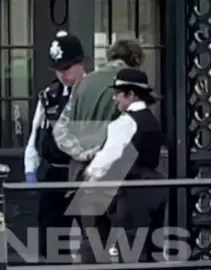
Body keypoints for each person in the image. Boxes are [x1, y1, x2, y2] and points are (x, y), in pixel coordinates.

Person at [52, 39, 146, 263]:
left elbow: (60, 130)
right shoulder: (127, 85)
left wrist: (82, 153)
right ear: (135, 61)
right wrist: (100, 153)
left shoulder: (83, 84)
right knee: (126, 241)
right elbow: (127, 130)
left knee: (91, 239)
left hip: (81, 174)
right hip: (117, 173)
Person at [84, 68, 167, 263]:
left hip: (130, 190)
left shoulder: (124, 122)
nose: (115, 99)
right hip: (154, 187)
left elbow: (107, 158)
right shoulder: (152, 121)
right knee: (152, 248)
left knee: (129, 249)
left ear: (130, 94)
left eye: (118, 94)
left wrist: (90, 175)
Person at [24, 30, 86, 263]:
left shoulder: (92, 93)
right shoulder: (48, 96)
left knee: (93, 237)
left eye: (67, 68)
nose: (63, 75)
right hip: (56, 172)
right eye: (58, 69)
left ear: (81, 63)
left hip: (83, 172)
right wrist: (30, 169)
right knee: (50, 238)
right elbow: (35, 135)